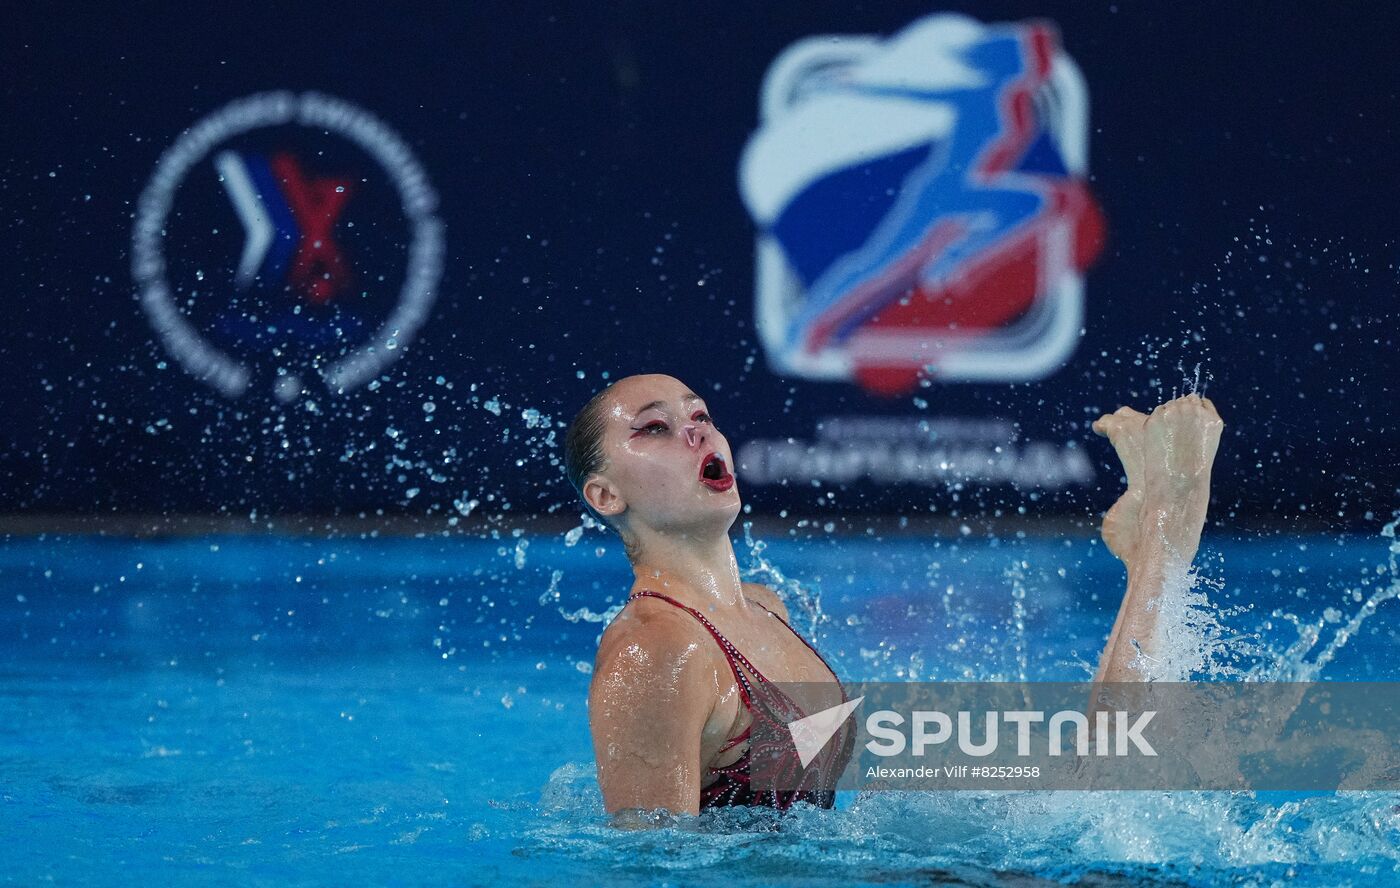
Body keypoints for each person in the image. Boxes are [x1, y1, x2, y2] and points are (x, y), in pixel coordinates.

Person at [564, 373, 1223, 821]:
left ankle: (1155, 555)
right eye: (653, 429)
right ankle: (1161, 545)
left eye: (701, 416)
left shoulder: (763, 609)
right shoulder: (656, 650)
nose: (697, 433)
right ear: (605, 496)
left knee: (1082, 787)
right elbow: (647, 869)